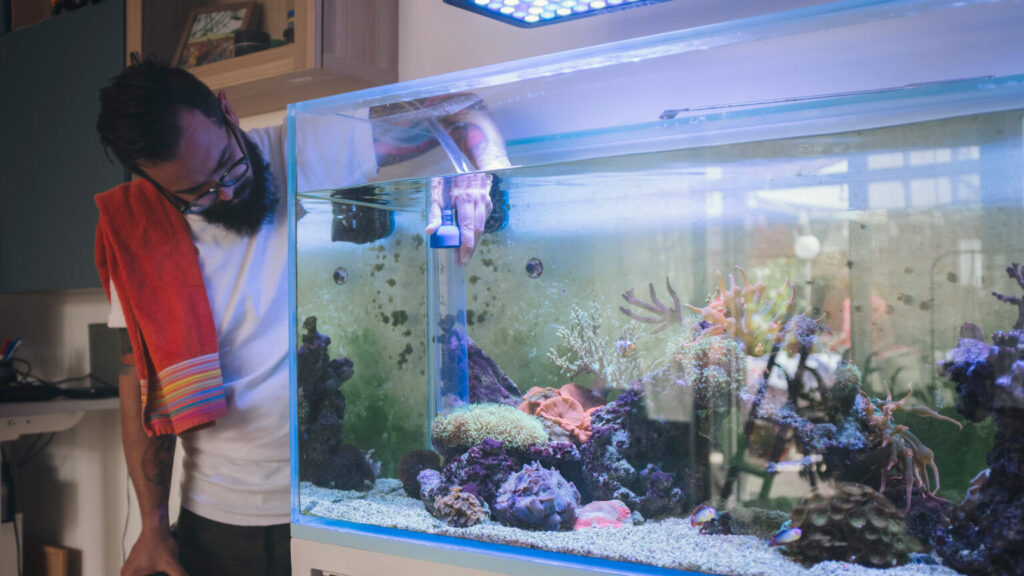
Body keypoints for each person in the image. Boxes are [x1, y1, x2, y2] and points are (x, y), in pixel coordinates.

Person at [94, 57, 510, 576]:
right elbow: (140, 376)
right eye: (195, 194)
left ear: (228, 112)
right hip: (216, 521)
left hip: (331, 506)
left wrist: (478, 171)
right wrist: (153, 527)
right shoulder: (140, 231)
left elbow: (461, 107)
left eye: (228, 164)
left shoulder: (305, 147)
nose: (224, 192)